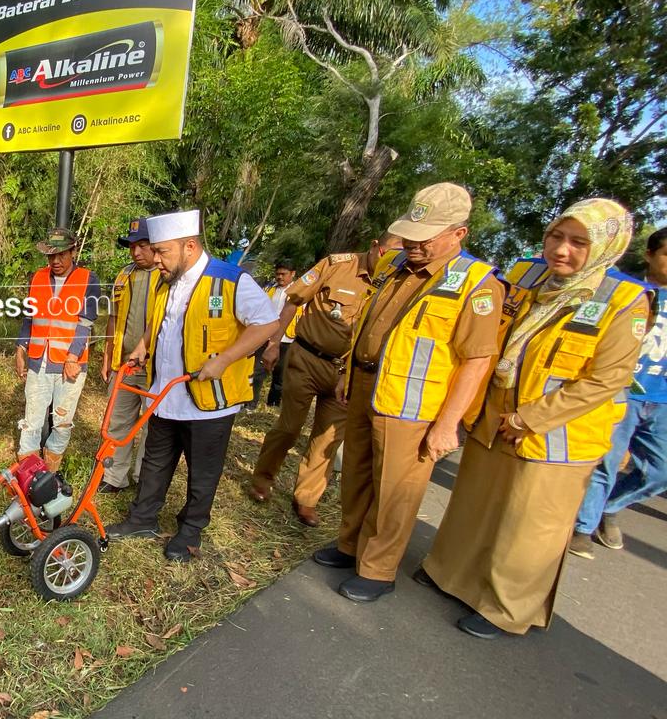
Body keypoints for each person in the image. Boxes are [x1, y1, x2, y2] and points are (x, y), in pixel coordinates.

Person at [419, 199, 650, 639]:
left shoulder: (623, 301)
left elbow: (603, 381)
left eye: (578, 242)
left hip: (557, 434)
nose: (561, 250)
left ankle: (505, 610)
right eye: (555, 237)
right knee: (475, 505)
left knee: (529, 526)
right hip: (495, 415)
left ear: (606, 246)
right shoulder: (526, 275)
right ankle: (451, 575)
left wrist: (529, 418)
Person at [313, 182, 503, 603]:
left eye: (427, 236)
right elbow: (367, 322)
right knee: (357, 475)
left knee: (395, 491)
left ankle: (378, 570)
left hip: (413, 406)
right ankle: (349, 546)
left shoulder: (477, 285)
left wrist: (448, 425)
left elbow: (476, 361)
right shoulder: (395, 266)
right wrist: (348, 374)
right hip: (365, 384)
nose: (414, 243)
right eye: (412, 233)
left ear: (459, 234)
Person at [106, 209, 280, 562]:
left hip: (209, 400)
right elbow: (160, 324)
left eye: (162, 252)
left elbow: (267, 323)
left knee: (203, 469)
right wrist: (142, 348)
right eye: (153, 252)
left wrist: (225, 359)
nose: (155, 260)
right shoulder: (164, 280)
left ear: (189, 246)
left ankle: (190, 530)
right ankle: (142, 518)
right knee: (156, 460)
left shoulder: (230, 280)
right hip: (164, 393)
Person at [246, 234, 405, 526]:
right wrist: (273, 344)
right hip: (307, 358)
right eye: (388, 253)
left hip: (348, 372)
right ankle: (262, 479)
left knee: (327, 439)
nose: (391, 261)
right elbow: (293, 302)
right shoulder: (336, 265)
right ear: (374, 246)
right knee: (290, 427)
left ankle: (306, 499)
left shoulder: (397, 280)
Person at [568, 226, 667, 558]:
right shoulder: (626, 292)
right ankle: (583, 526)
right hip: (622, 393)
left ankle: (608, 506)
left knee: (659, 471)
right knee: (606, 463)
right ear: (649, 255)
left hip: (662, 400)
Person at [15, 227, 102, 471]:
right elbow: (29, 319)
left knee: (62, 424)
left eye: (62, 254)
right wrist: (20, 349)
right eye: (51, 256)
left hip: (70, 365)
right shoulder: (37, 278)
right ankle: (29, 477)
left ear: (73, 251)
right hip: (38, 361)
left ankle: (50, 475)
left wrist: (73, 356)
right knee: (31, 422)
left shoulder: (89, 279)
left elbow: (85, 323)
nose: (56, 261)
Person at [97, 218, 162, 493]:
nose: (136, 252)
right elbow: (112, 318)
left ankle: (144, 478)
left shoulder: (166, 275)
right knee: (117, 421)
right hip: (123, 365)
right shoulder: (123, 275)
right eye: (133, 246)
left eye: (143, 246)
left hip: (155, 368)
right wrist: (107, 356)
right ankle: (114, 477)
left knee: (152, 426)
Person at [259, 259, 299, 406]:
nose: (280, 277)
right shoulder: (268, 289)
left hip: (287, 339)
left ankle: (274, 403)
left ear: (293, 274)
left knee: (280, 375)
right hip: (265, 336)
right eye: (278, 274)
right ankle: (249, 404)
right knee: (258, 372)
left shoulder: (300, 292)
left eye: (284, 274)